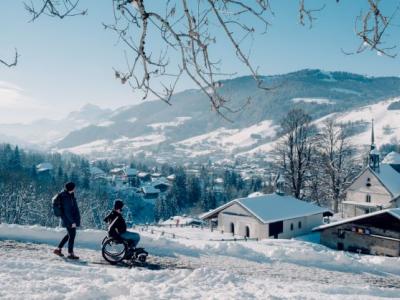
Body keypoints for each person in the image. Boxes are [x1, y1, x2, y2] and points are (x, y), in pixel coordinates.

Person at [53, 182, 81, 259]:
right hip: (68, 220)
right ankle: (70, 253)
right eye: (74, 187)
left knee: (69, 235)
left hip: (69, 219)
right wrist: (72, 222)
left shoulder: (69, 195)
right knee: (72, 236)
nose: (75, 189)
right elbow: (67, 211)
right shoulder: (66, 197)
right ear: (71, 188)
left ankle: (58, 249)